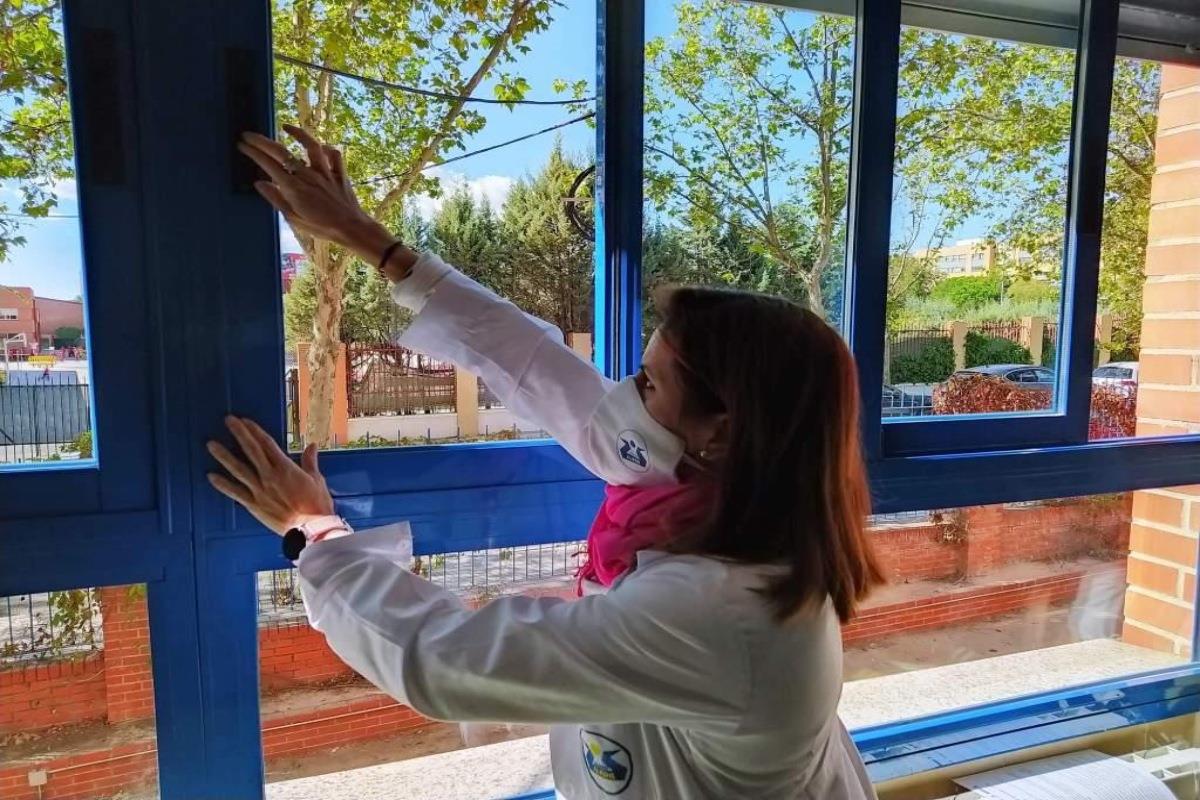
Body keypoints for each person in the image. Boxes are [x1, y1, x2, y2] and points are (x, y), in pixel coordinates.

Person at [210, 127, 884, 799]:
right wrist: (371, 242)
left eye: (649, 383)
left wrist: (315, 531)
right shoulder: (734, 502)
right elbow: (541, 370)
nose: (623, 394)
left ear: (724, 433)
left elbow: (443, 659)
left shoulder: (720, 614)